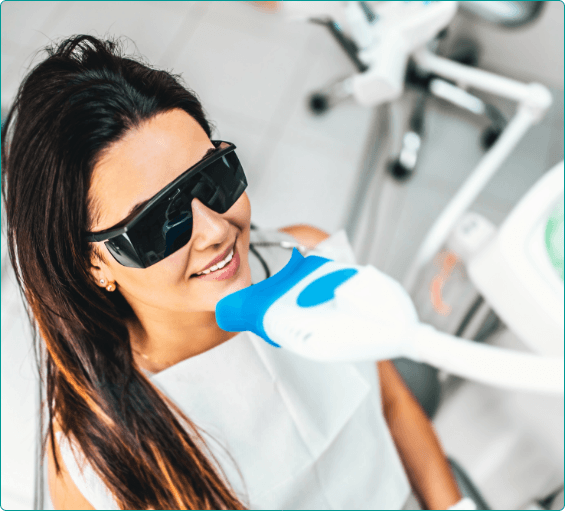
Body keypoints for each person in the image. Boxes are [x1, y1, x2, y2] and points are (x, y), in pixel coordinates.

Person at [1, 34, 463, 510]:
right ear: (93, 262)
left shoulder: (304, 252)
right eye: (159, 222)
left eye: (211, 177)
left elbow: (391, 405)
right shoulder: (93, 463)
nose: (215, 231)